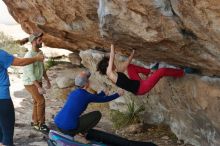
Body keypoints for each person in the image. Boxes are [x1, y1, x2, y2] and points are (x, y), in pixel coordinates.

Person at [54, 71, 123, 143]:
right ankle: (80, 135)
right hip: (68, 128)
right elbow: (104, 99)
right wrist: (118, 94)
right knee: (97, 114)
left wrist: (103, 93)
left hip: (58, 123)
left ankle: (77, 133)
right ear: (87, 83)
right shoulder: (86, 96)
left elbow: (94, 97)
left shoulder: (73, 92)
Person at [97, 44, 185, 95]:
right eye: (111, 63)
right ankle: (182, 72)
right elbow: (112, 56)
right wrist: (112, 44)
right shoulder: (110, 74)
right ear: (107, 66)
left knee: (130, 67)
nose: (113, 63)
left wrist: (133, 53)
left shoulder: (115, 73)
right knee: (161, 71)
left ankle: (150, 71)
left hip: (137, 82)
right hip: (141, 88)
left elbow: (127, 63)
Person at [0, 49, 44, 146]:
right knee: (7, 135)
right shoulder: (0, 54)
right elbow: (21, 62)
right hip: (2, 99)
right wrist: (36, 58)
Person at [21, 32, 51, 133]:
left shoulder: (40, 52)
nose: (41, 41)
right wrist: (39, 87)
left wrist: (47, 80)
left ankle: (35, 122)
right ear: (33, 42)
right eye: (39, 40)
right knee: (41, 101)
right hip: (30, 82)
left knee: (36, 101)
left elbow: (42, 67)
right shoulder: (29, 55)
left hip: (37, 80)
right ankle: (40, 124)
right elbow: (30, 74)